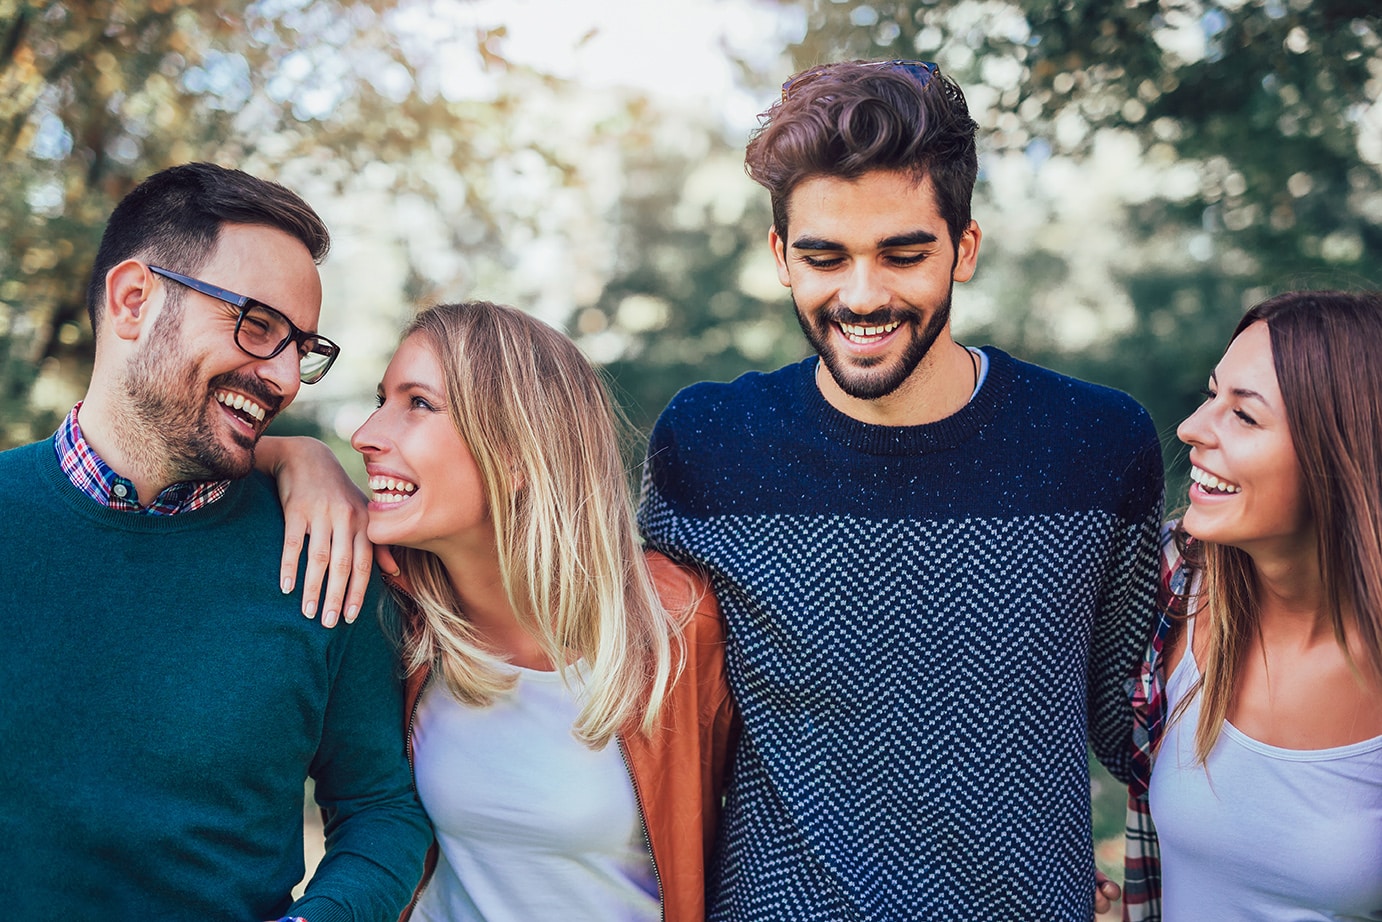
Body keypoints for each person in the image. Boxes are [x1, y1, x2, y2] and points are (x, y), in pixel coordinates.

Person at [636, 60, 1165, 919]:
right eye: (824, 257)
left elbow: (1144, 722)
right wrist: (330, 468)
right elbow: (615, 671)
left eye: (903, 253)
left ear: (965, 246)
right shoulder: (708, 445)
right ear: (780, 256)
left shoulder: (1096, 445)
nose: (862, 295)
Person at [0, 162, 430, 920]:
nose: (287, 377)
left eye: (302, 347)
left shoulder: (326, 553)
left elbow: (381, 809)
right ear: (134, 300)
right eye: (258, 325)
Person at [348, 300, 736, 921]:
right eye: (381, 399)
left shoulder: (682, 627)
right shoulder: (393, 618)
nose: (364, 434)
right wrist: (292, 459)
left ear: (517, 453)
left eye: (417, 403)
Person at [1123, 290, 1382, 921]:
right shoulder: (1174, 586)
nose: (1190, 428)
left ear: (1341, 454)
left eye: (1244, 416)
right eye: (1214, 395)